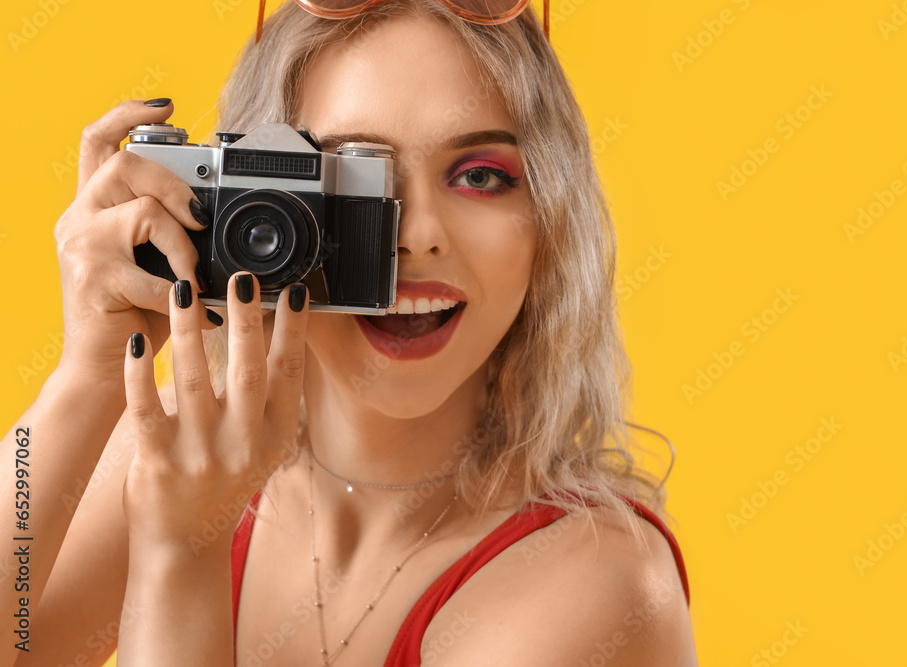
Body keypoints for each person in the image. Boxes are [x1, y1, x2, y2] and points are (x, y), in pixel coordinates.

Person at [0, 0, 698, 664]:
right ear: (249, 197)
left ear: (551, 214)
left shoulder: (601, 583)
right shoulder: (183, 459)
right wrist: (86, 376)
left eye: (481, 176)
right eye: (361, 173)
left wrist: (180, 552)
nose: (418, 236)